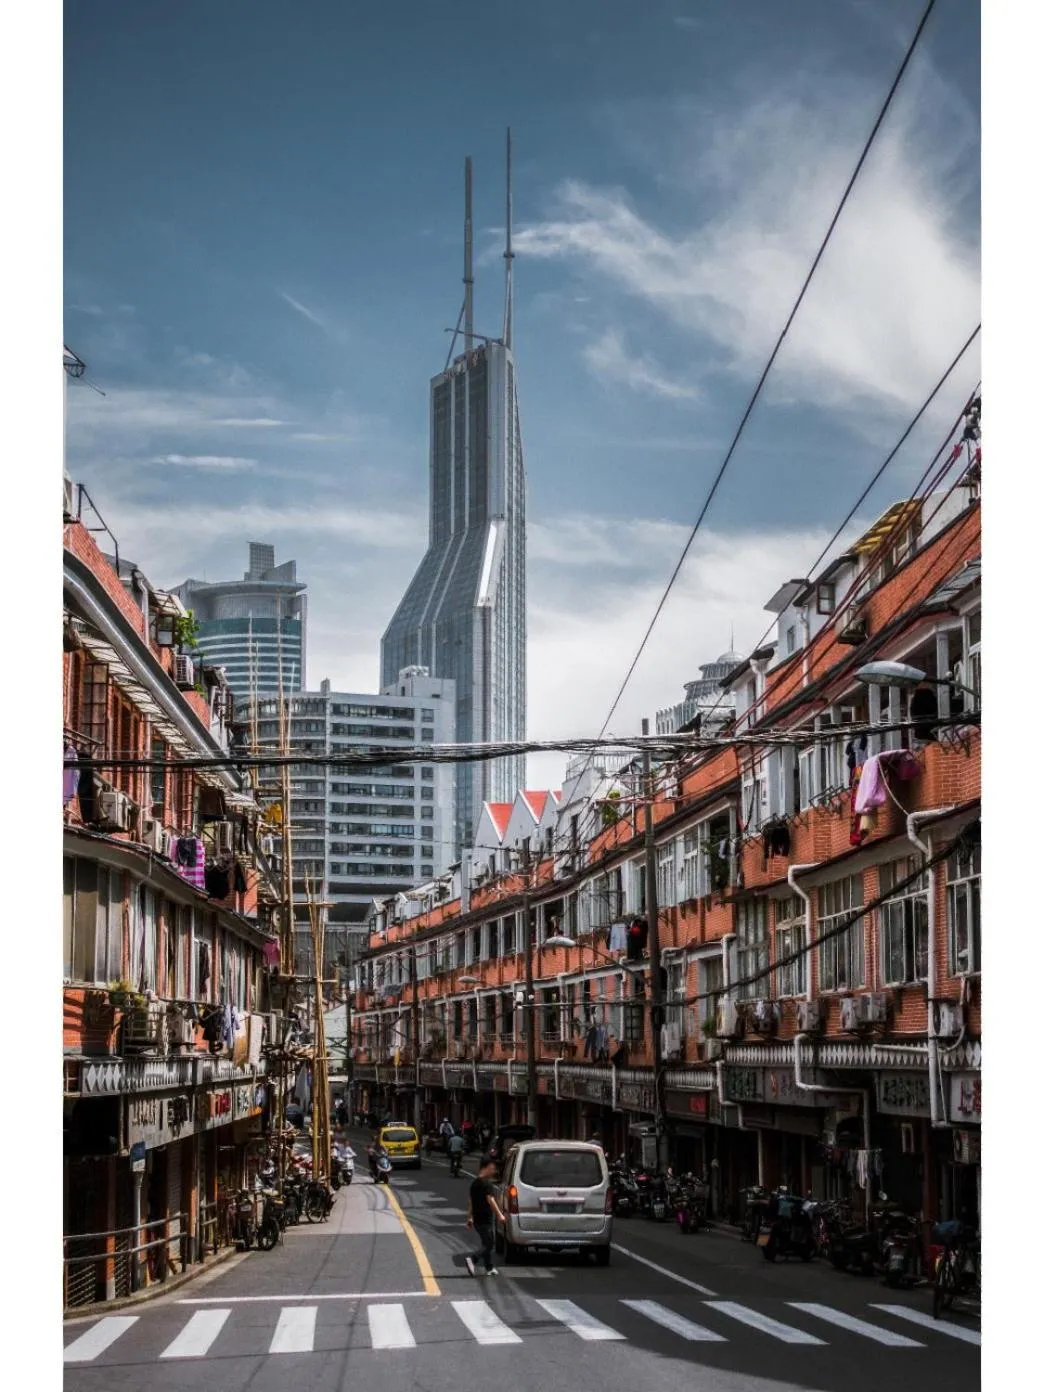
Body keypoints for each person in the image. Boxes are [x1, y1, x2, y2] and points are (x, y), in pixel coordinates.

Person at [465, 1155, 505, 1278]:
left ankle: (489, 1267)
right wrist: (500, 1215)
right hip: (485, 1219)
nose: (494, 1171)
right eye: (492, 1168)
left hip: (477, 1219)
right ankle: (473, 1259)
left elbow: (471, 1201)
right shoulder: (487, 1184)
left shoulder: (474, 1183)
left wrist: (469, 1217)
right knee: (489, 1244)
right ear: (486, 1167)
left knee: (486, 1242)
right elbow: (490, 1200)